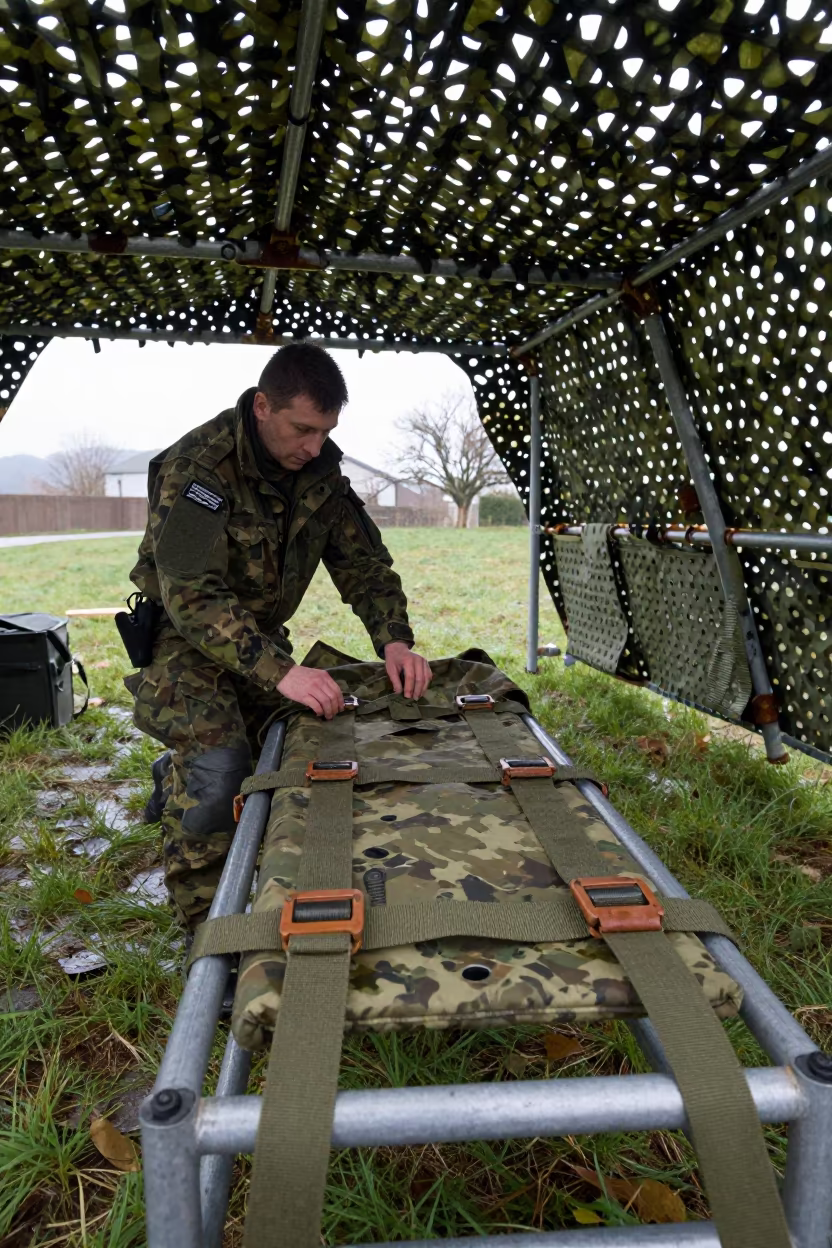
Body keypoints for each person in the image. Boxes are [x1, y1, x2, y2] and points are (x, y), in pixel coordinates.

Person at [125, 343, 432, 934]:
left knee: (307, 740)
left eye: (326, 432)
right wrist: (283, 672)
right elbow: (190, 595)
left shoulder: (319, 473)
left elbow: (364, 564)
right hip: (183, 641)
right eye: (303, 429)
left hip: (260, 641)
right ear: (263, 406)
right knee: (220, 771)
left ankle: (175, 771)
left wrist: (394, 640)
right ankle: (206, 930)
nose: (314, 446)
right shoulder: (200, 469)